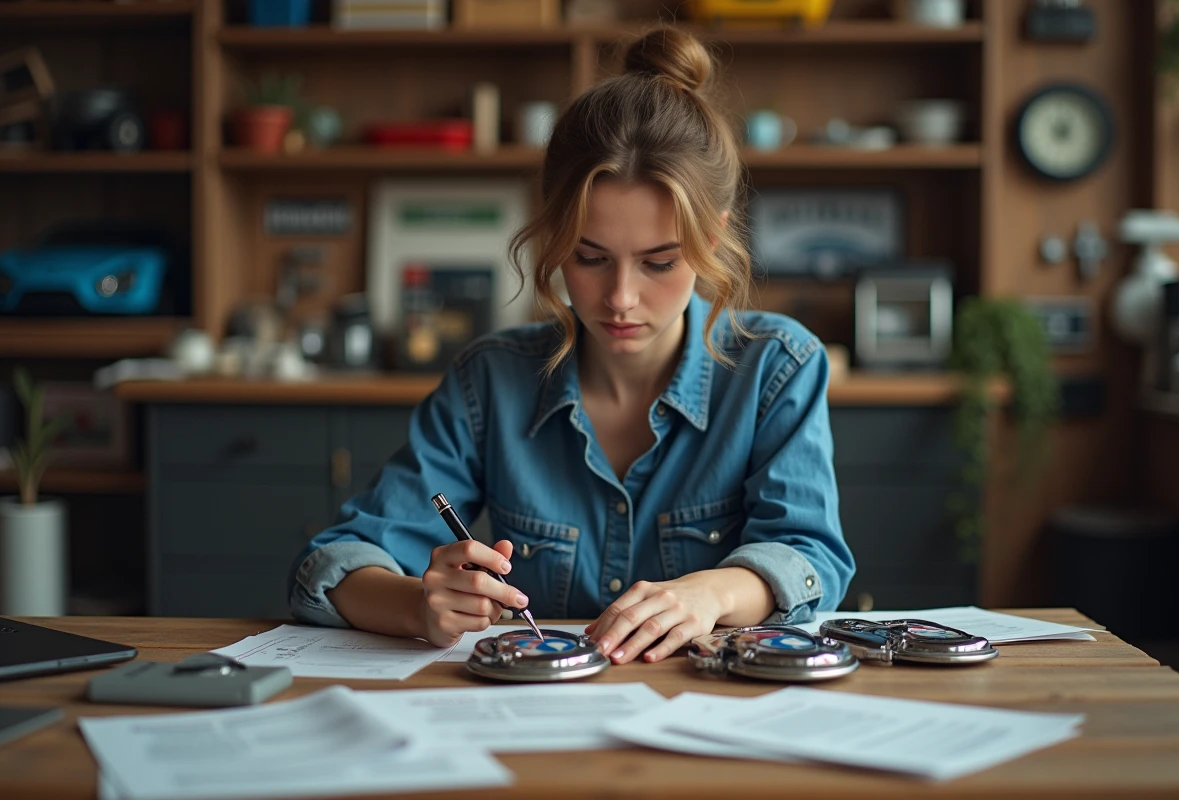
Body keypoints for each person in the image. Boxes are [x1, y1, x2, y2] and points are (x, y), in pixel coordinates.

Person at [289, 26, 854, 666]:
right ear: (556, 235)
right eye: (590, 257)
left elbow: (809, 558)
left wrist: (709, 593)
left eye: (660, 263)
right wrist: (417, 604)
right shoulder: (490, 381)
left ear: (712, 237)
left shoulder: (777, 368)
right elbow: (334, 562)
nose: (620, 298)